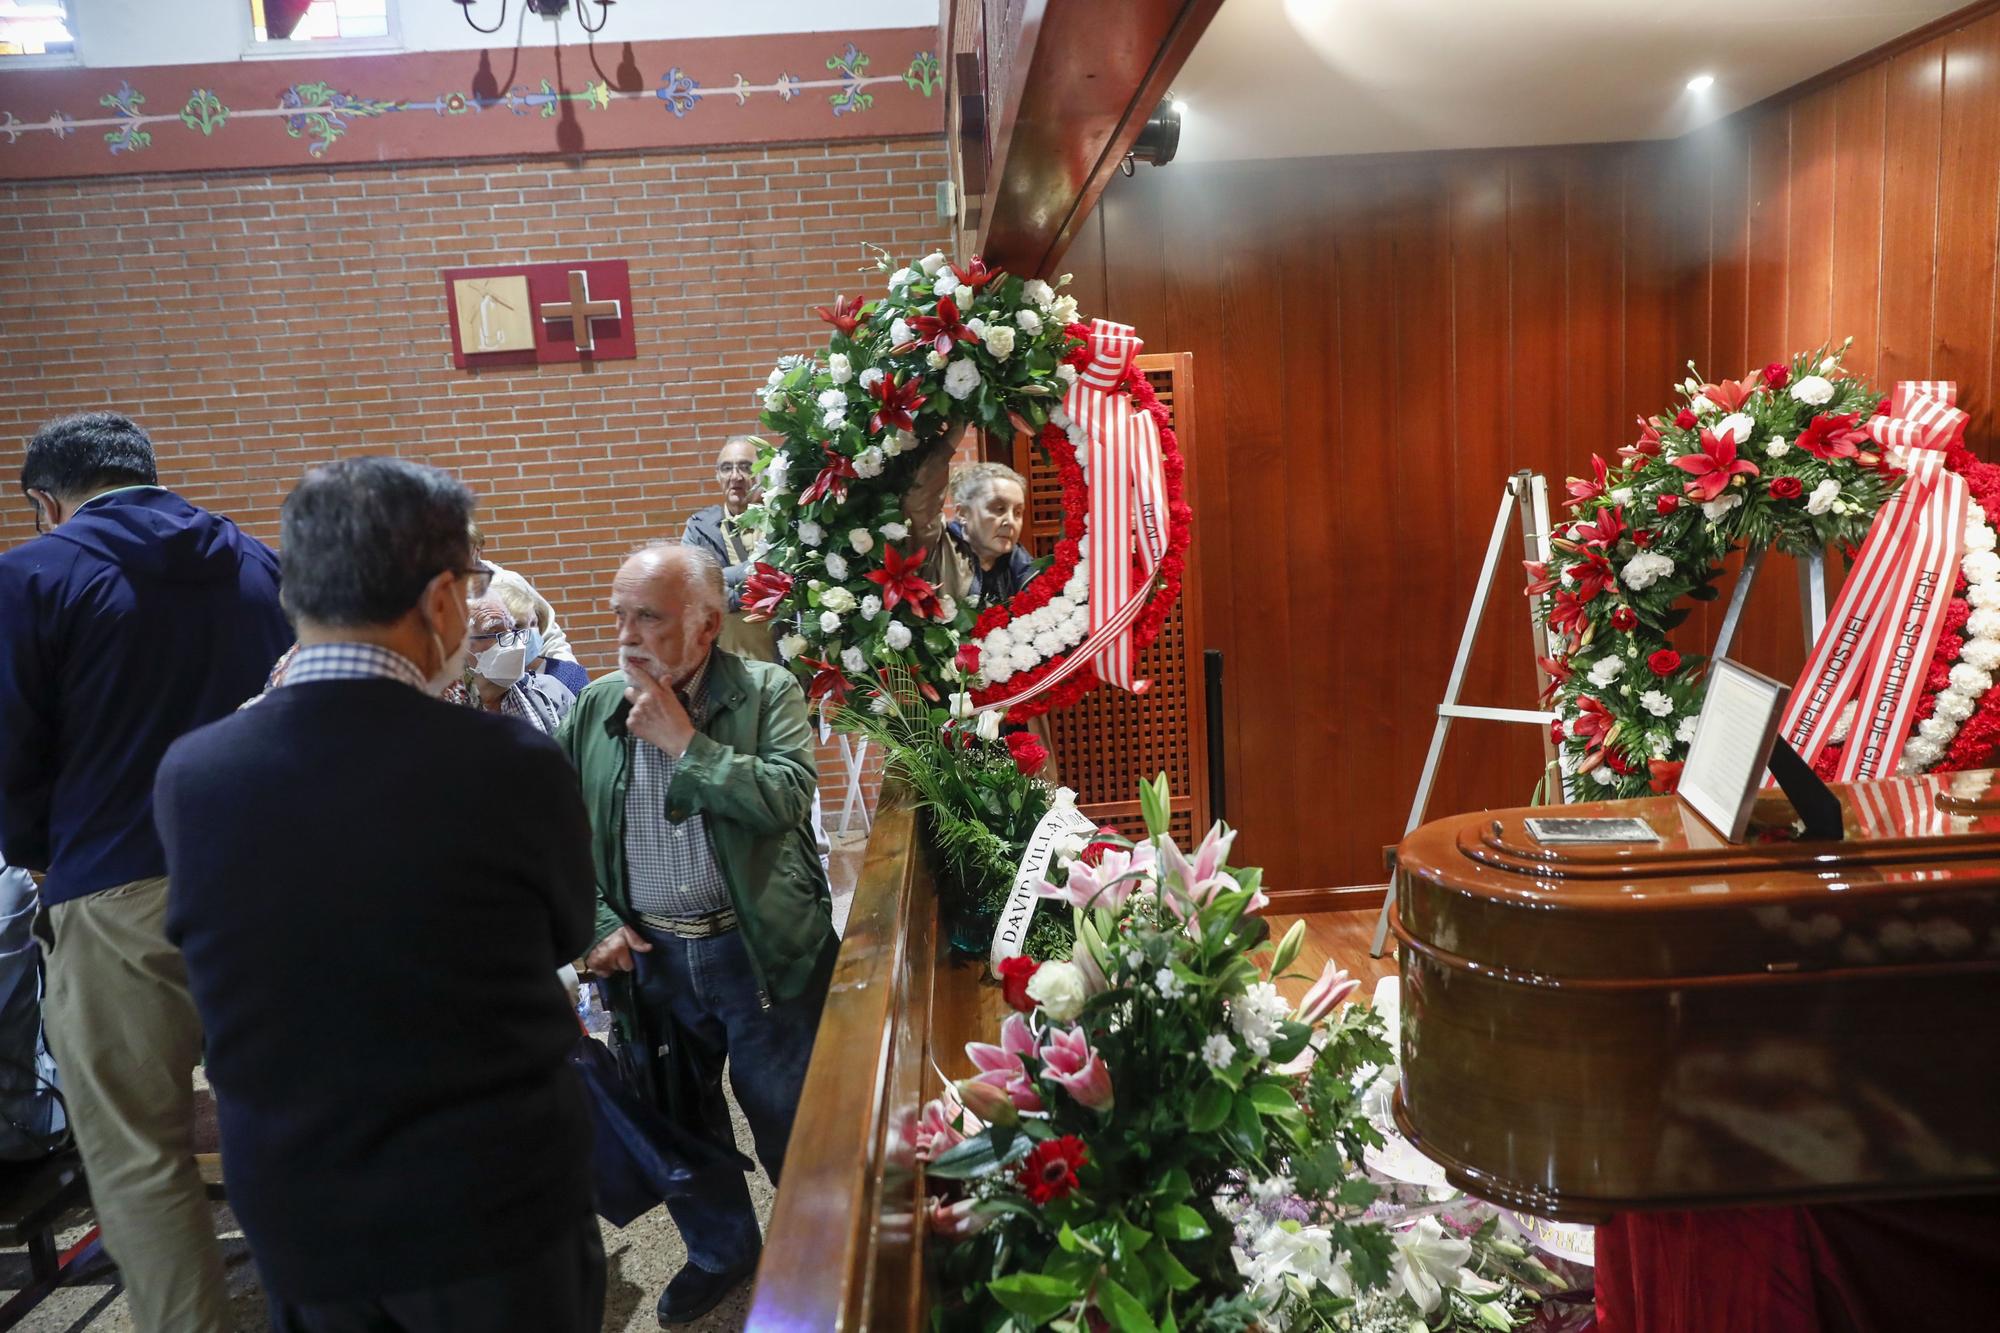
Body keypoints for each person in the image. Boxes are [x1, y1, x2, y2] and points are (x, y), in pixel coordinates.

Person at [154, 457, 603, 1333]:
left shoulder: (194, 774)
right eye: (470, 586)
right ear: (441, 598)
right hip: (487, 1203)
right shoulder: (504, 763)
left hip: (300, 1210)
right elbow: (567, 929)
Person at [0, 411, 291, 1333]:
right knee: (292, 1123)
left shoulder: (31, 575)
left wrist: (50, 855)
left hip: (114, 885)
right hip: (265, 885)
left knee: (138, 1152)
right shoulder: (260, 563)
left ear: (48, 500)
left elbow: (9, 752)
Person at [556, 543, 838, 1326]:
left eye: (649, 614)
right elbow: (554, 827)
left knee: (793, 1113)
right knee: (679, 1123)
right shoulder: (595, 705)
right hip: (650, 959)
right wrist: (597, 925)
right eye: (618, 613)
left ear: (708, 625)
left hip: (760, 951)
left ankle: (822, 1251)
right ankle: (721, 1250)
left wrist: (687, 742)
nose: (626, 632)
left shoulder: (766, 691)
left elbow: (785, 797)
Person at [681, 434, 778, 662]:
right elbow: (692, 590)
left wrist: (721, 582)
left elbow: (788, 577)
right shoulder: (699, 528)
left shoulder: (781, 523)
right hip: (723, 670)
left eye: (746, 467)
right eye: (726, 468)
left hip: (783, 664)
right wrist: (756, 577)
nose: (736, 476)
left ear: (763, 472)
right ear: (718, 476)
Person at [469, 521, 581, 669]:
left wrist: (568, 674)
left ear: (476, 550)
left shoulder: (506, 581)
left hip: (524, 679)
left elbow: (550, 638)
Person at [463, 592, 576, 733]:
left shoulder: (552, 695)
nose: (513, 641)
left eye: (512, 629)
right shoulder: (441, 712)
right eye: (496, 631)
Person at [940, 460, 1035, 608]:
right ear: (963, 513)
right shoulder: (939, 552)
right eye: (998, 508)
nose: (1010, 521)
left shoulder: (1023, 565)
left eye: (1017, 512)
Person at [490, 567, 590, 697]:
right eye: (518, 626)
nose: (530, 632)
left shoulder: (570, 676)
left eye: (533, 624)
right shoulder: (485, 680)